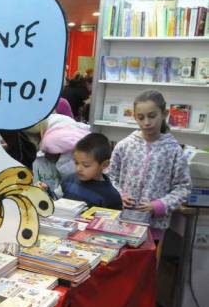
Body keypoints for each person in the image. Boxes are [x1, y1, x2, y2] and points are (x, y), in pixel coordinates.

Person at [109, 90, 190, 241]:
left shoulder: (173, 150)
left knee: (147, 263)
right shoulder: (124, 145)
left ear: (164, 114)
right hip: (121, 221)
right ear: (135, 117)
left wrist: (159, 206)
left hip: (155, 227)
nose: (146, 122)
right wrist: (119, 194)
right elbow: (109, 177)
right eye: (141, 117)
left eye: (152, 116)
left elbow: (183, 187)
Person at [61, 133, 122, 209]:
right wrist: (46, 191)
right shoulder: (69, 180)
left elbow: (114, 219)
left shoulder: (111, 196)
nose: (78, 169)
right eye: (76, 163)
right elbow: (56, 199)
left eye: (86, 165)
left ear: (104, 165)